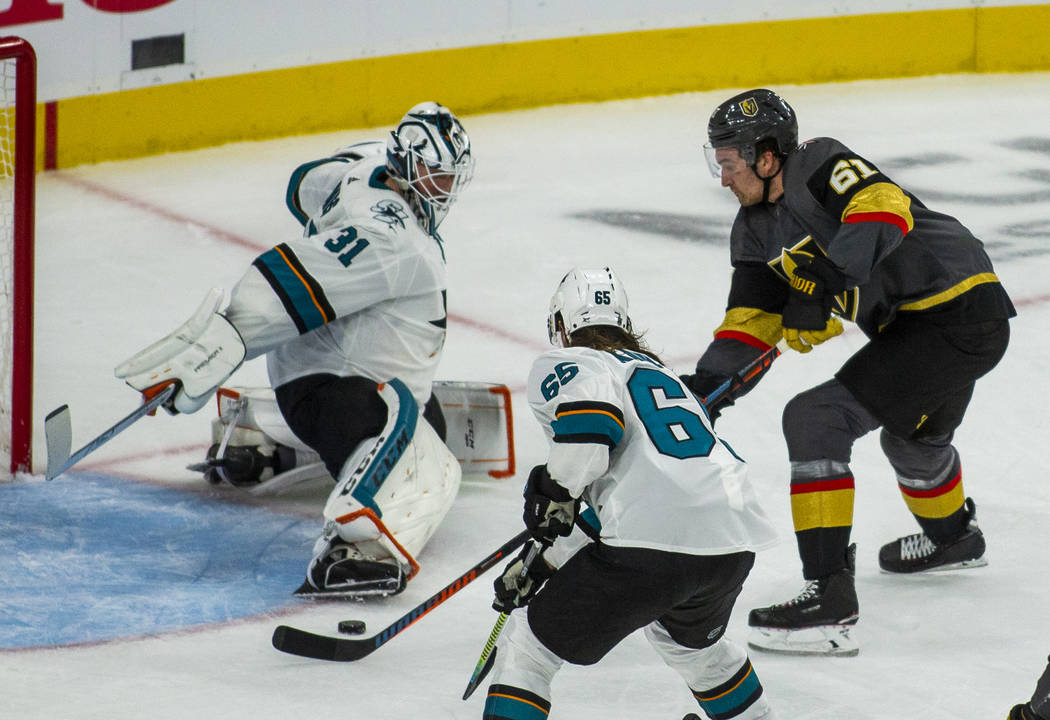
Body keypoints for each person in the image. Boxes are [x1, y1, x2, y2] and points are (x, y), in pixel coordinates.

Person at [682, 88, 1015, 656]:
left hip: (956, 309)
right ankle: (955, 538)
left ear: (767, 157)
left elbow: (884, 206)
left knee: (815, 419)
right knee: (912, 441)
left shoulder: (819, 162)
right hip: (927, 329)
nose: (723, 178)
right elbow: (750, 325)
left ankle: (829, 598)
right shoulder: (754, 232)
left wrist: (831, 277)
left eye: (730, 164)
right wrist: (703, 392)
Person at [113, 101, 475, 598]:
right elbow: (291, 280)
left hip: (326, 369)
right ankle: (355, 549)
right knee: (428, 469)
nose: (445, 190)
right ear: (408, 168)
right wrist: (219, 344)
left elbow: (303, 183)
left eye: (450, 178)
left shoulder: (365, 167)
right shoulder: (394, 242)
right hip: (336, 388)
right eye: (436, 177)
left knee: (428, 423)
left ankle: (265, 440)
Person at [483, 267, 779, 720]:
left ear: (561, 325)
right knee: (696, 652)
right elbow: (620, 505)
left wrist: (554, 489)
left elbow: (590, 430)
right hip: (730, 542)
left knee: (529, 648)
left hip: (653, 544)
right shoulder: (664, 376)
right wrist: (542, 560)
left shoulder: (578, 362)